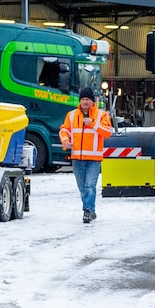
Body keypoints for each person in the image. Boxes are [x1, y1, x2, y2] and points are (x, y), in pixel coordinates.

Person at [58, 86, 112, 224]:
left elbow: (108, 132)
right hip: (77, 158)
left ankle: (87, 211)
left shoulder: (101, 115)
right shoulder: (71, 115)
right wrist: (65, 140)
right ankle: (90, 210)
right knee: (82, 187)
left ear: (93, 101)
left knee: (89, 186)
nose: (85, 102)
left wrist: (93, 124)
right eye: (83, 99)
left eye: (88, 99)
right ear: (80, 101)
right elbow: (65, 130)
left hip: (94, 159)